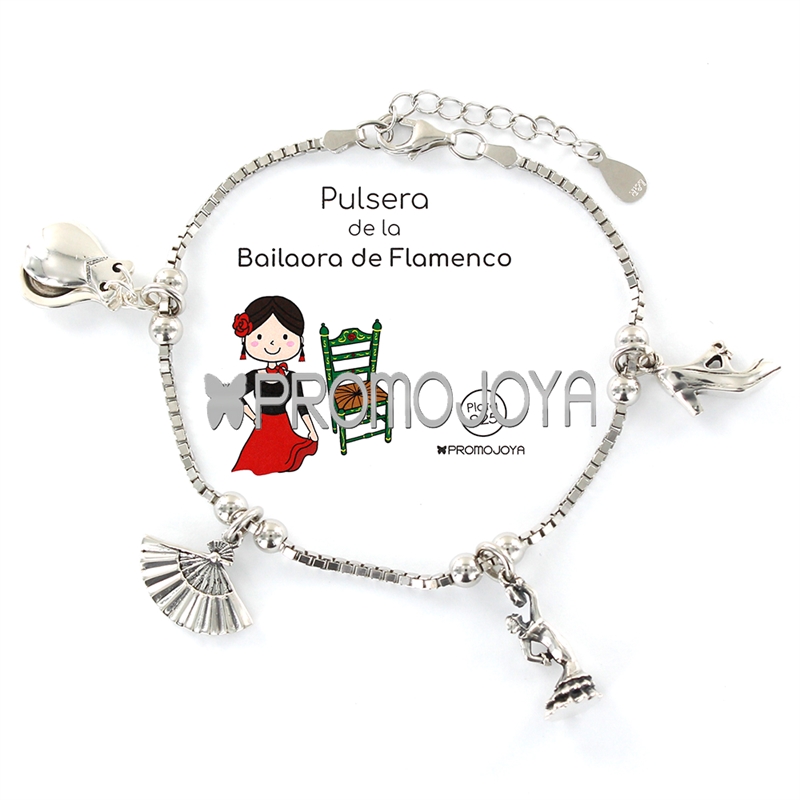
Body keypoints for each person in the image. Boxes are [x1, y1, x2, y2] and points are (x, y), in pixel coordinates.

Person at [231, 296, 318, 475]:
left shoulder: (292, 377)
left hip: (283, 427)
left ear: (300, 341)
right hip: (262, 427)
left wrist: (312, 430)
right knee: (256, 466)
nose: (272, 344)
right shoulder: (254, 376)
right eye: (260, 336)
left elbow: (301, 406)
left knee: (285, 461)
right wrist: (253, 417)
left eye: (285, 337)